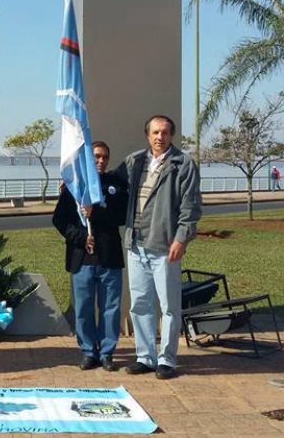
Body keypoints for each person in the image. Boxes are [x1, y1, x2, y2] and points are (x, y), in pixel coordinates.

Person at [114, 115, 202, 380]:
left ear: (171, 135)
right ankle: (145, 357)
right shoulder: (135, 161)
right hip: (136, 245)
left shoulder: (183, 164)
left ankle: (167, 359)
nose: (159, 137)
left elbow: (191, 206)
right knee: (140, 305)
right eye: (155, 132)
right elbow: (111, 184)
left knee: (169, 307)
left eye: (164, 132)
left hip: (165, 246)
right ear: (147, 135)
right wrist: (77, 184)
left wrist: (181, 238)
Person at [52, 141, 126, 372]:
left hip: (109, 258)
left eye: (104, 157)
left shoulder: (115, 185)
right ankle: (88, 351)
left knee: (110, 309)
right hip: (82, 259)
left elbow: (122, 215)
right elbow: (60, 220)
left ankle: (106, 352)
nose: (101, 161)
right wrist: (81, 237)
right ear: (87, 159)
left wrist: (97, 211)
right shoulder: (74, 186)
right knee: (83, 309)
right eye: (96, 156)